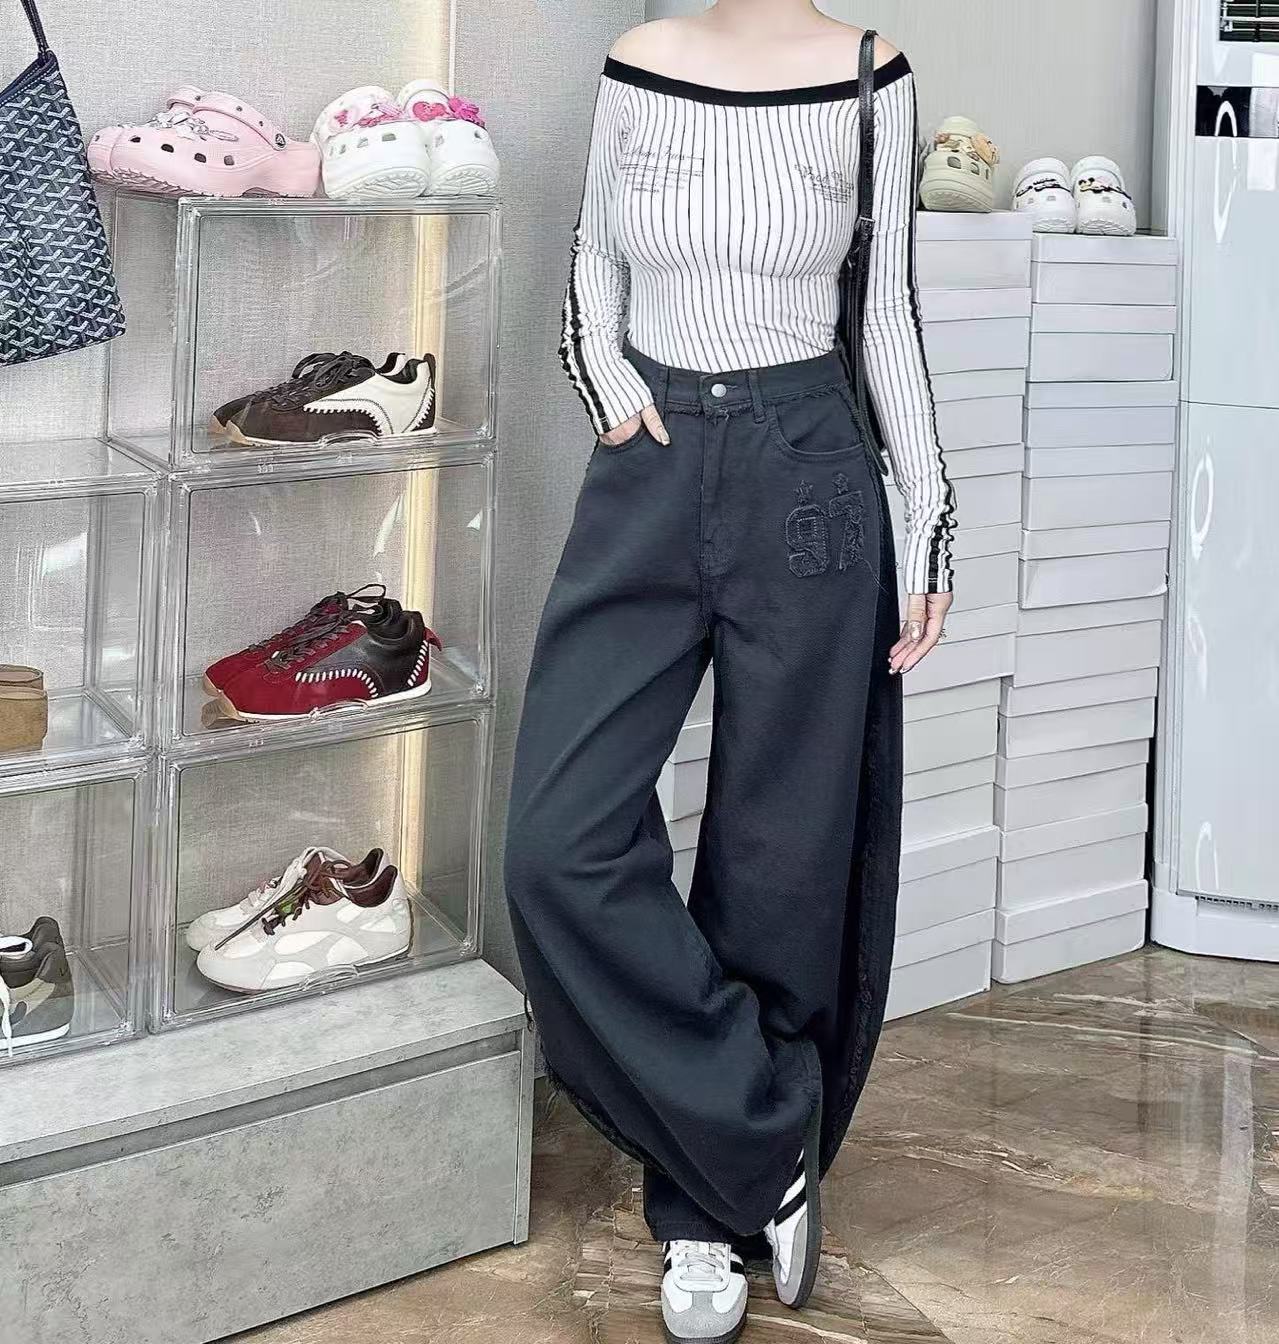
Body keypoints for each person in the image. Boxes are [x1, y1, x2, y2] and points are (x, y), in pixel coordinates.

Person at [506, 3, 955, 1341]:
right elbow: (591, 260)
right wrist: (605, 379)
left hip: (806, 464)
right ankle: (762, 1141)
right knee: (557, 845)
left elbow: (885, 313)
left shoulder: (872, 73)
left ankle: (704, 1220)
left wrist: (928, 519)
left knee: (779, 854)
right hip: (649, 465)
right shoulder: (642, 60)